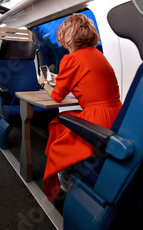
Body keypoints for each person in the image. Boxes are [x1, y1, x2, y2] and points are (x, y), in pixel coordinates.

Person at [38, 13, 123, 202]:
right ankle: (68, 171)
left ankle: (67, 183)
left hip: (97, 118)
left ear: (69, 36)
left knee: (57, 125)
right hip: (118, 116)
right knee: (64, 119)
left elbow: (57, 97)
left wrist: (44, 83)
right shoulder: (98, 55)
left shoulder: (72, 59)